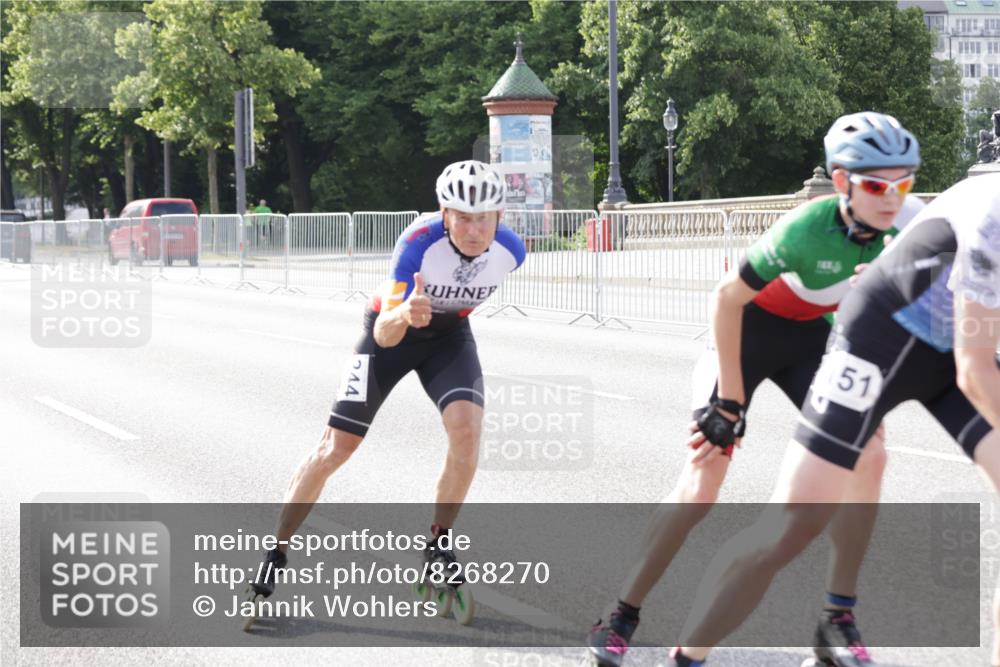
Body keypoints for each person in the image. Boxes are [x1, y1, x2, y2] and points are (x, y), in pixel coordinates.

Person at [587, 112, 924, 667]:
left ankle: (837, 617)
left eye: (903, 182)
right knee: (705, 474)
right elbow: (726, 299)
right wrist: (731, 402)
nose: (891, 198)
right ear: (841, 183)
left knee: (870, 453)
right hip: (746, 330)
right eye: (874, 184)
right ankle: (620, 613)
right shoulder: (803, 229)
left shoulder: (909, 222)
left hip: (812, 337)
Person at [660, 173, 1000, 667]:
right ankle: (687, 656)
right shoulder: (993, 214)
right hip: (880, 337)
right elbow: (975, 371)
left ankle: (834, 629)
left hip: (951, 347)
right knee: (791, 526)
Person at [248, 160, 525, 618]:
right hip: (391, 332)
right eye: (462, 217)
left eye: (484, 218)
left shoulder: (512, 250)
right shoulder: (418, 243)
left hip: (449, 338)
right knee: (335, 449)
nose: (474, 230)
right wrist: (406, 313)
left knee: (467, 432)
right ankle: (275, 551)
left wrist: (435, 315)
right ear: (444, 212)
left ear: (500, 217)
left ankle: (438, 547)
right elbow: (384, 336)